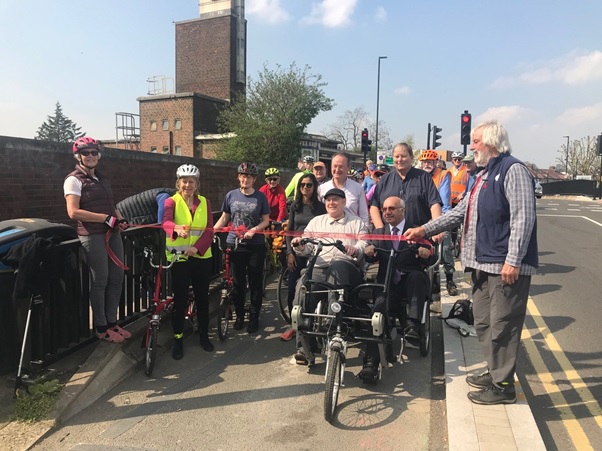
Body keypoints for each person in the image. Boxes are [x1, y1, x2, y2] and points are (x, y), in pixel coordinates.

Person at [404, 120, 538, 405]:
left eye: (476, 141)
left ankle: (504, 387)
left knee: (503, 324)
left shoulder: (513, 170)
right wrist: (425, 229)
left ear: (491, 142)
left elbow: (523, 219)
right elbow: (459, 212)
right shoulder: (482, 175)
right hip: (482, 263)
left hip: (505, 267)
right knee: (484, 322)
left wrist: (513, 261)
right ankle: (495, 372)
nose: (471, 147)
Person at [360, 196, 435, 381]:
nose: (387, 212)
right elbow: (371, 256)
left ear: (403, 210)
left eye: (392, 208)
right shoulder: (380, 232)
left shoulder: (415, 230)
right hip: (388, 283)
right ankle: (370, 363)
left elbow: (431, 256)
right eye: (385, 209)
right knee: (376, 314)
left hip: (411, 280)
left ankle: (413, 325)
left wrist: (426, 254)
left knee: (417, 277)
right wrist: (369, 253)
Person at [64, 137, 131, 343]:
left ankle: (113, 322)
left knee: (117, 277)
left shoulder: (101, 179)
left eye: (94, 152)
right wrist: (105, 219)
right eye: (86, 153)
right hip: (92, 235)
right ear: (79, 156)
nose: (90, 156)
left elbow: (111, 206)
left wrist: (119, 219)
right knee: (100, 280)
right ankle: (101, 327)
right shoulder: (73, 180)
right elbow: (73, 212)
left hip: (112, 233)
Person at [290, 188, 368, 364]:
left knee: (338, 266)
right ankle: (305, 347)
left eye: (335, 200)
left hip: (347, 267)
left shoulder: (357, 223)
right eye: (328, 200)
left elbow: (364, 244)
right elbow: (307, 245)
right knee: (304, 285)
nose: (331, 203)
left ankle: (333, 324)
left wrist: (356, 249)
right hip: (319, 265)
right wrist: (300, 246)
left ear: (344, 202)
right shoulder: (316, 222)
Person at [162, 164, 214, 359]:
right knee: (180, 300)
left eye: (191, 182)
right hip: (179, 258)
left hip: (201, 257)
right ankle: (178, 339)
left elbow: (209, 230)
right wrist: (175, 228)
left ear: (197, 184)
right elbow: (165, 222)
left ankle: (204, 335)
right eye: (184, 181)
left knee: (202, 298)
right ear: (178, 183)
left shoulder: (205, 202)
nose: (188, 185)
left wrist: (198, 248)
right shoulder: (171, 202)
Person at [214, 162, 270, 334]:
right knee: (238, 283)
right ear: (239, 177)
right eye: (243, 176)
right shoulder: (231, 195)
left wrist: (254, 230)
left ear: (254, 179)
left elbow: (266, 220)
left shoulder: (260, 197)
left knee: (255, 283)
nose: (246, 179)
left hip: (255, 245)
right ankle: (239, 315)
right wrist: (210, 232)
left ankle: (254, 317)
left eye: (250, 177)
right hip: (235, 244)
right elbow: (225, 218)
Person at [279, 173, 326, 342]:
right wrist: (289, 253)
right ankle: (294, 324)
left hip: (314, 252)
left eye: (309, 185)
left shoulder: (321, 207)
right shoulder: (295, 206)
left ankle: (310, 321)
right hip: (296, 252)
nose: (305, 188)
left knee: (310, 289)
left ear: (314, 187)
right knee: (292, 288)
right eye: (302, 185)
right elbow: (289, 231)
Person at [370, 142, 442, 230]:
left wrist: (436, 228)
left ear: (411, 157)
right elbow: (374, 206)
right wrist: (381, 230)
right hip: (390, 236)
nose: (400, 160)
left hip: (417, 235)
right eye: (397, 157)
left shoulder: (424, 177)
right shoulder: (385, 180)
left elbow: (434, 204)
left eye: (403, 156)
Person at [419, 150, 458, 296]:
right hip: (423, 219)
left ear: (436, 163)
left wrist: (440, 224)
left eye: (430, 162)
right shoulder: (419, 176)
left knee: (445, 246)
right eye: (425, 162)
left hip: (440, 216)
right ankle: (431, 279)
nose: (427, 165)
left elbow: (445, 201)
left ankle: (449, 279)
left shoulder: (442, 175)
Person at [318, 153, 370, 227]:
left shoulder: (358, 188)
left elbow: (364, 216)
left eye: (341, 167)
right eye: (335, 166)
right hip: (327, 232)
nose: (337, 170)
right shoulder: (321, 189)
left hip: (351, 232)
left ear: (348, 168)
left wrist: (364, 233)